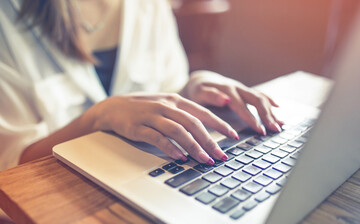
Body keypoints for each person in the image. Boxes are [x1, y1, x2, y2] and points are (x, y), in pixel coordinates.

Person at [0, 0, 283, 171]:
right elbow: (9, 165)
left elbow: (167, 91)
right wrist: (99, 118)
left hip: (140, 179)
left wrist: (194, 87)